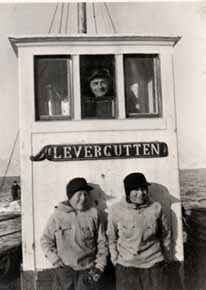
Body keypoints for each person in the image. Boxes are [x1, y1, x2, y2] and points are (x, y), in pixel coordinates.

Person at [40, 177, 108, 290]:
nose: (83, 198)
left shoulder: (94, 214)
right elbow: (45, 241)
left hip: (88, 272)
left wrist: (100, 265)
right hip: (64, 273)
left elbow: (102, 242)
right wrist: (55, 260)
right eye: (79, 195)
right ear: (70, 196)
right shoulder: (57, 216)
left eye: (86, 194)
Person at [107, 172, 172, 290]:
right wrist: (115, 259)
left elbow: (165, 234)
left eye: (143, 189)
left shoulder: (156, 207)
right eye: (136, 189)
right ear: (128, 192)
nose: (141, 193)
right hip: (126, 267)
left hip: (154, 265)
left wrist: (165, 257)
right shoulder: (116, 210)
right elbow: (111, 237)